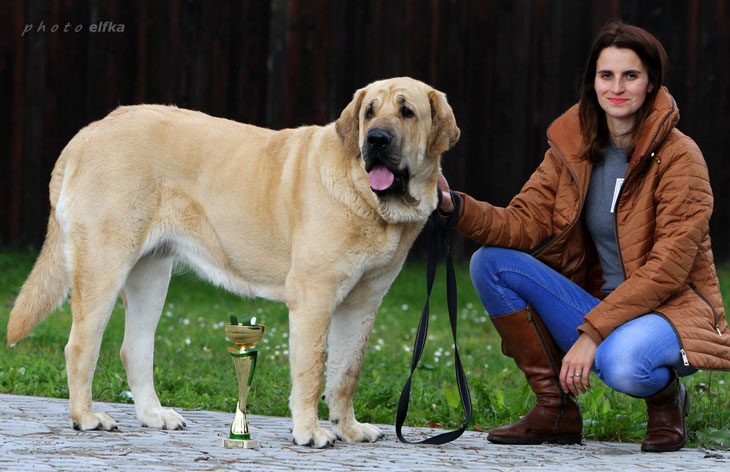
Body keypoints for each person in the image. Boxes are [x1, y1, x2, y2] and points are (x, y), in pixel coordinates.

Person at [438, 21, 730, 452]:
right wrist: (452, 205)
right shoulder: (574, 148)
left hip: (667, 313)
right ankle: (554, 409)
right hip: (599, 305)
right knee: (490, 262)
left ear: (650, 83)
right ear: (592, 82)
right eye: (605, 75)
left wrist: (592, 335)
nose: (617, 87)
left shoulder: (680, 157)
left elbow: (667, 269)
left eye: (630, 76)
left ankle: (667, 401)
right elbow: (521, 222)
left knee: (624, 365)